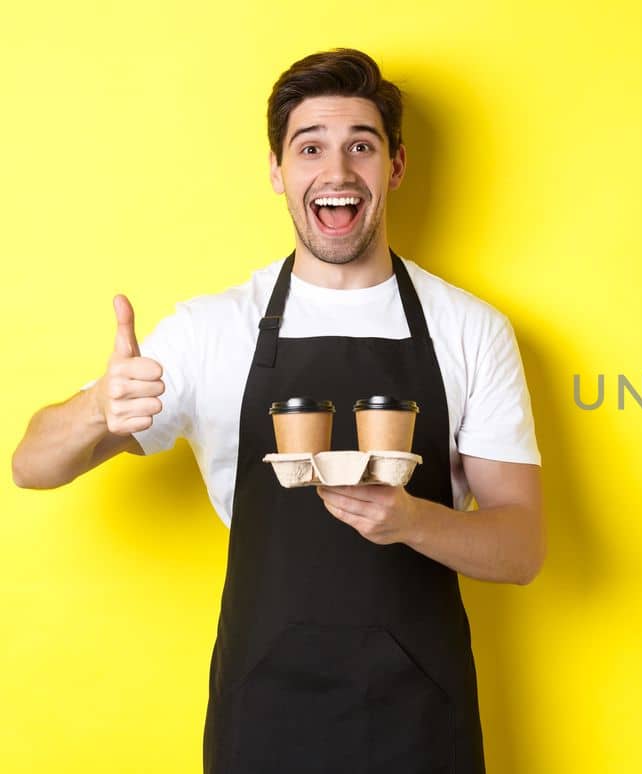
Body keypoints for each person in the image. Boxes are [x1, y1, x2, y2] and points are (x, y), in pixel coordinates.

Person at [11, 48, 543, 773]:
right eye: (310, 147)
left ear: (396, 166)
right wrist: (100, 408)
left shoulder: (469, 328)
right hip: (263, 715)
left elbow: (522, 548)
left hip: (420, 719)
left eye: (362, 144)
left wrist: (412, 519)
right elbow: (30, 466)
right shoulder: (213, 329)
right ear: (277, 172)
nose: (337, 170)